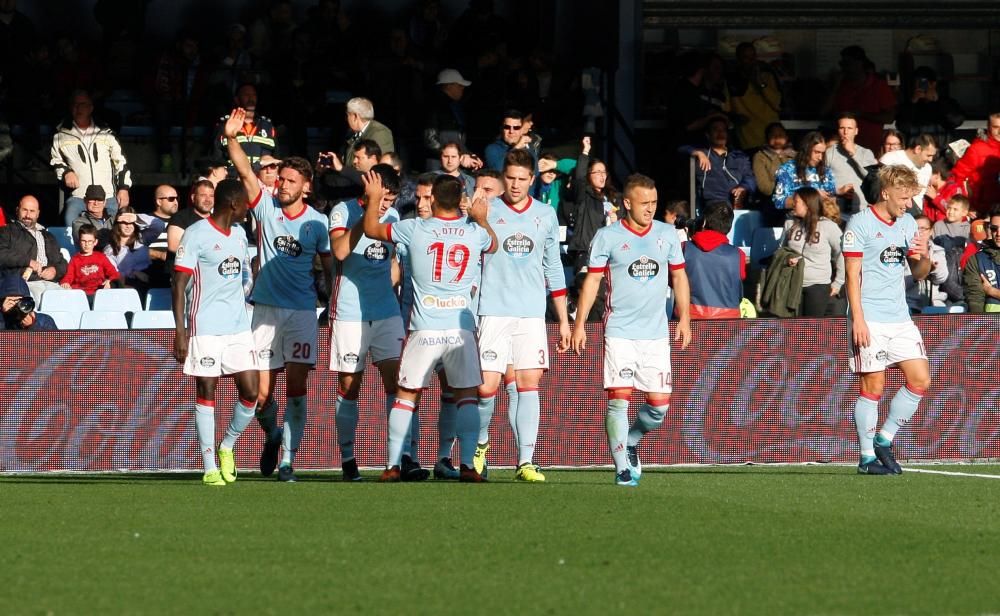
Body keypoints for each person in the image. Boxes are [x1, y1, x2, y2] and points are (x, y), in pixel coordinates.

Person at [362, 172, 498, 483]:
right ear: (460, 200)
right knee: (465, 396)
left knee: (407, 394)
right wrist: (480, 218)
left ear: (434, 199)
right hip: (460, 329)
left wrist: (372, 198)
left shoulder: (413, 229)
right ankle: (466, 465)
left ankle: (393, 465)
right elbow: (493, 245)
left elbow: (370, 228)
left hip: (423, 327)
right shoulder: (474, 233)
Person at [226, 107, 333, 483]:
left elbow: (328, 263)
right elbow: (243, 171)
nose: (282, 185)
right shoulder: (266, 206)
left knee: (298, 388)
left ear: (305, 186)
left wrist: (331, 300)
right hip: (266, 309)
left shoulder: (318, 223)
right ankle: (272, 434)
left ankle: (289, 459)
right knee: (258, 394)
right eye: (281, 179)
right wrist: (232, 137)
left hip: (302, 310)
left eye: (290, 181)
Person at [570, 173, 692, 487]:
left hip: (656, 333)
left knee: (659, 406)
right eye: (643, 203)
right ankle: (622, 467)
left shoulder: (667, 235)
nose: (650, 209)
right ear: (627, 203)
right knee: (619, 399)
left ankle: (633, 440)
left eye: (654, 203)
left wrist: (686, 318)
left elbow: (678, 277)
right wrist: (580, 324)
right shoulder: (607, 236)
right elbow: (593, 281)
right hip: (620, 331)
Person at [474, 149, 571, 482]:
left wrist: (563, 320)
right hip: (493, 311)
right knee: (487, 387)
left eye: (521, 179)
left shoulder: (545, 214)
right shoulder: (487, 209)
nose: (515, 185)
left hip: (530, 313)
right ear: (503, 177)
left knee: (528, 384)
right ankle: (480, 444)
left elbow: (553, 267)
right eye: (510, 178)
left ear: (533, 179)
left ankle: (526, 461)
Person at [327, 164, 427, 481]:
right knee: (349, 387)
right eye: (383, 199)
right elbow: (340, 252)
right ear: (369, 188)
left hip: (386, 311)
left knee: (400, 383)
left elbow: (394, 261)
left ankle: (403, 457)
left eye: (390, 200)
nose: (386, 206)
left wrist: (391, 286)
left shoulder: (395, 217)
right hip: (349, 313)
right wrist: (369, 211)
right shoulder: (342, 211)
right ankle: (348, 459)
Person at [842, 164, 932, 475]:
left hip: (899, 316)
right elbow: (851, 277)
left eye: (911, 198)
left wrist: (925, 258)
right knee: (874, 385)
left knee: (921, 378)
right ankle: (867, 459)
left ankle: (884, 438)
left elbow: (917, 273)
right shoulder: (860, 224)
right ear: (885, 193)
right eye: (904, 197)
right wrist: (858, 319)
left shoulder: (908, 223)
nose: (908, 204)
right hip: (870, 317)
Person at [171, 178, 259, 486]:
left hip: (237, 328)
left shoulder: (239, 234)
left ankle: (227, 446)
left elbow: (244, 274)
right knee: (207, 391)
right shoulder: (195, 235)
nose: (249, 208)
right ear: (233, 203)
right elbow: (179, 285)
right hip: (204, 327)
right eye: (246, 203)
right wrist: (180, 331)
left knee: (251, 393)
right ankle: (209, 467)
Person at [50, 89, 132, 226]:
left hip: (108, 197)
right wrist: (66, 172)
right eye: (75, 105)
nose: (78, 108)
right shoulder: (60, 135)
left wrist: (123, 188)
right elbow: (55, 161)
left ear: (91, 107)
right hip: (79, 197)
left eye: (82, 104)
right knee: (71, 230)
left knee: (115, 235)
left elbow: (121, 162)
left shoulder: (106, 132)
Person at [780, 187, 845, 316]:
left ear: (807, 204)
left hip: (817, 286)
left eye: (796, 201)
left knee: (812, 330)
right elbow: (781, 250)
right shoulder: (789, 224)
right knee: (792, 329)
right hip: (792, 283)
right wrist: (787, 258)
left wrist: (838, 283)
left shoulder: (828, 226)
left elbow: (842, 254)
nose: (793, 204)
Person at [0, 195, 67, 304]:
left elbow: (62, 262)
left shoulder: (48, 236)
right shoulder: (6, 232)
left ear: (38, 213)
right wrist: (28, 261)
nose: (28, 215)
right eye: (24, 210)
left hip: (51, 283)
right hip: (23, 283)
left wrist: (55, 271)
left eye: (32, 211)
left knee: (68, 300)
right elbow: (1, 254)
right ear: (17, 210)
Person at [684, 201, 745, 318]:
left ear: (704, 222)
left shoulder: (684, 248)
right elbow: (739, 279)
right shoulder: (739, 254)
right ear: (729, 226)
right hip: (728, 323)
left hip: (690, 319)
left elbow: (673, 281)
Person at [567, 136, 619, 273]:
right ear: (589, 175)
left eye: (604, 172)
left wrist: (617, 219)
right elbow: (579, 177)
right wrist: (585, 151)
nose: (602, 176)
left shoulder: (613, 197)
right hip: (587, 251)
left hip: (610, 253)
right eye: (598, 172)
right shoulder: (584, 194)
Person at [828, 45, 896, 150]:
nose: (843, 68)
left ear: (859, 63)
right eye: (842, 64)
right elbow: (823, 111)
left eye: (847, 63)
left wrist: (861, 114)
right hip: (841, 148)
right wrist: (835, 87)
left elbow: (889, 117)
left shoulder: (878, 85)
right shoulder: (840, 85)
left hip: (870, 148)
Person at [688, 117, 756, 209]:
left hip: (737, 203)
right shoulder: (702, 153)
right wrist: (697, 152)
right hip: (712, 205)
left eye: (723, 130)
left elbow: (750, 178)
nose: (720, 133)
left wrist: (743, 188)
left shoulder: (740, 156)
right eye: (715, 129)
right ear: (708, 135)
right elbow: (680, 148)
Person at [727, 42, 781, 150]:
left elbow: (777, 104)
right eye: (746, 57)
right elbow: (728, 109)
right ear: (739, 60)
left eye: (753, 56)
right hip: (748, 139)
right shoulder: (732, 81)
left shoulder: (767, 76)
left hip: (771, 137)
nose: (751, 61)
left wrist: (760, 83)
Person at [214, 84, 277, 173]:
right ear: (236, 99)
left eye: (254, 95)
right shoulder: (225, 125)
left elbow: (277, 157)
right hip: (233, 179)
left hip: (261, 181)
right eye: (246, 95)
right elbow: (216, 158)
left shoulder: (268, 126)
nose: (251, 98)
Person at [948, 112, 1000, 217]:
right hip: (983, 209)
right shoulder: (977, 149)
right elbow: (957, 177)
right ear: (989, 127)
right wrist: (965, 206)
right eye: (996, 127)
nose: (999, 131)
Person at [824, 112, 878, 214]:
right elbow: (822, 182)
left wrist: (853, 153)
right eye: (842, 128)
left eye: (849, 128)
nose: (845, 132)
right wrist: (838, 190)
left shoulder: (866, 153)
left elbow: (871, 178)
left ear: (856, 131)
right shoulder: (829, 153)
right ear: (838, 130)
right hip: (835, 210)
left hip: (861, 210)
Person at [773, 131, 837, 210]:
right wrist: (810, 196)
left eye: (823, 153)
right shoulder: (787, 170)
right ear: (806, 150)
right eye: (817, 152)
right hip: (794, 219)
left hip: (821, 218)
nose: (820, 157)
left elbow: (832, 199)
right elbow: (778, 201)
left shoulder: (826, 171)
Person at [424, 68, 472, 168]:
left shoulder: (453, 107)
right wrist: (451, 155)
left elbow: (457, 139)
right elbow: (430, 139)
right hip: (438, 165)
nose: (462, 88)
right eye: (459, 85)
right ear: (449, 86)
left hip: (449, 163)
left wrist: (468, 154)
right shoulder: (436, 106)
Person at [879, 134, 938, 214]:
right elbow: (879, 187)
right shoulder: (890, 159)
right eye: (928, 155)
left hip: (915, 215)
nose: (931, 159)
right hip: (891, 212)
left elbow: (921, 197)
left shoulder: (928, 168)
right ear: (918, 149)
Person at [60, 224, 119, 298]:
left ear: (95, 242)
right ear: (79, 241)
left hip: (100, 293)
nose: (86, 244)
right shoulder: (75, 259)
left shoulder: (101, 257)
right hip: (81, 294)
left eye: (90, 241)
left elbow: (114, 273)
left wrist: (109, 281)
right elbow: (69, 276)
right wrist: (65, 283)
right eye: (83, 241)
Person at [906, 215, 949, 312]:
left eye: (923, 229)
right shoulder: (904, 251)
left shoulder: (938, 251)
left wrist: (934, 270)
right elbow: (902, 283)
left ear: (931, 231)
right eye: (915, 228)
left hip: (933, 302)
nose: (919, 232)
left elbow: (942, 278)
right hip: (909, 303)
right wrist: (920, 270)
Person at [962, 207, 1000, 313]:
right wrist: (980, 326)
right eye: (994, 228)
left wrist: (992, 291)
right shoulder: (976, 260)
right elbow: (974, 299)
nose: (998, 234)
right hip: (991, 325)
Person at [103, 209, 151, 293]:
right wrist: (134, 272)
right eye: (124, 223)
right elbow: (113, 271)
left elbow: (159, 225)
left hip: (149, 276)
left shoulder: (142, 238)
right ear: (118, 224)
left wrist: (136, 218)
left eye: (131, 223)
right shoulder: (110, 249)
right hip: (126, 282)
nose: (128, 226)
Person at [167, 180, 215, 257]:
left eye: (211, 196)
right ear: (193, 198)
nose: (208, 199)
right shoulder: (180, 217)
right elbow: (174, 246)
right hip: (183, 268)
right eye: (203, 195)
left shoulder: (217, 220)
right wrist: (209, 253)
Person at [342, 97, 395, 164]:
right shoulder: (353, 133)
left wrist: (342, 169)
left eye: (347, 115)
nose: (346, 119)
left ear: (355, 116)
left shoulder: (379, 133)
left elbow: (382, 167)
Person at [752, 122, 795, 202]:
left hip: (796, 198)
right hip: (771, 200)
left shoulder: (796, 156)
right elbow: (765, 188)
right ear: (767, 137)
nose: (777, 137)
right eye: (773, 134)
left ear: (786, 136)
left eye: (780, 134)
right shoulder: (760, 157)